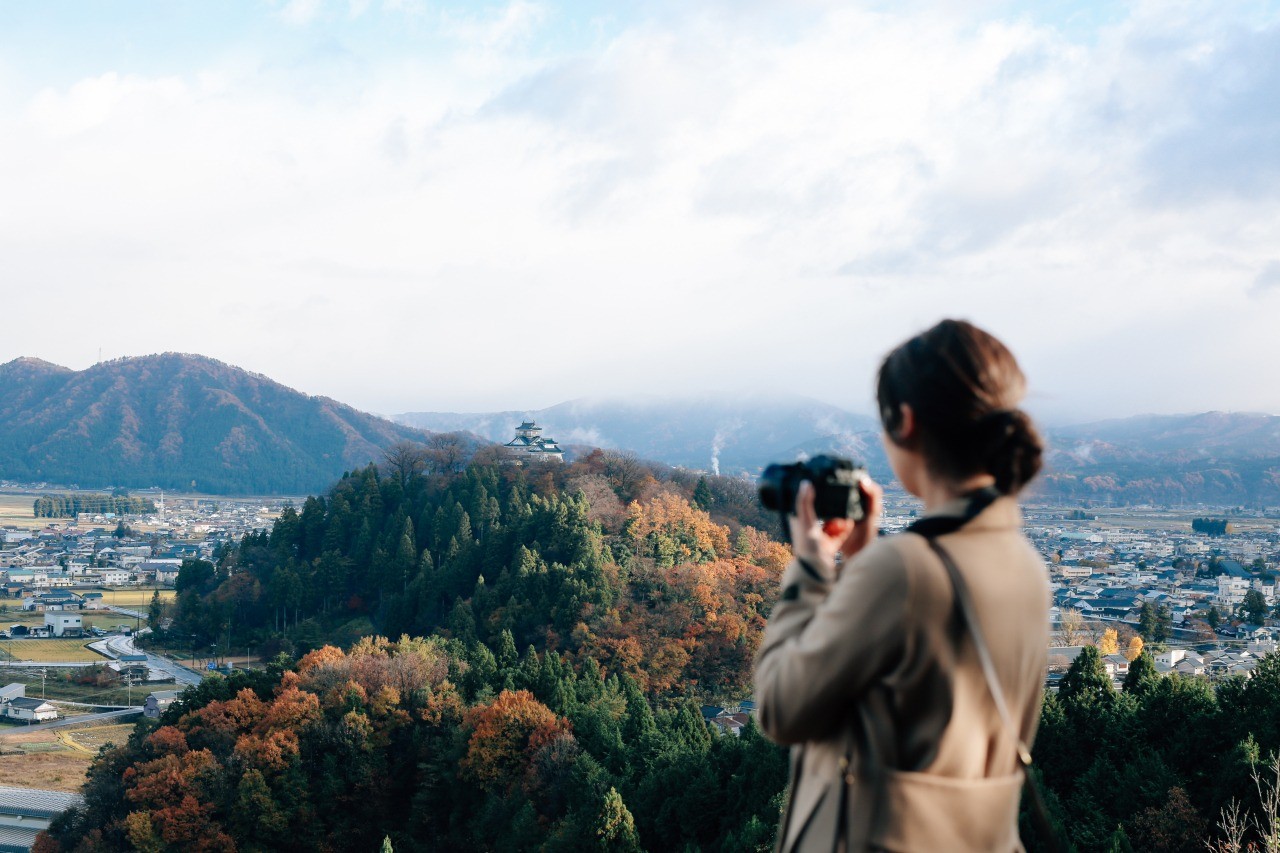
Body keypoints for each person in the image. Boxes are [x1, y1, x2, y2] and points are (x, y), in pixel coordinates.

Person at [754, 319, 1050, 852]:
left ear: (906, 422)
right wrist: (864, 558)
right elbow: (909, 705)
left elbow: (780, 709)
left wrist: (812, 568)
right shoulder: (1026, 566)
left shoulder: (903, 571)